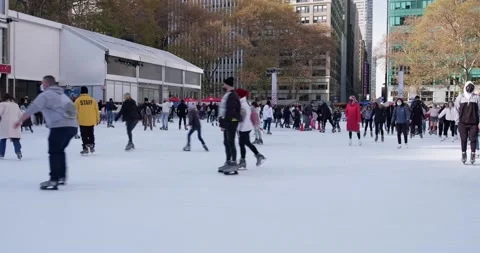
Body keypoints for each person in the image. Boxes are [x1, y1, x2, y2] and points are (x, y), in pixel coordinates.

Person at [15, 75, 78, 190]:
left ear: (47, 84)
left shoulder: (46, 95)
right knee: (59, 150)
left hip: (59, 126)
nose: (41, 85)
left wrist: (20, 120)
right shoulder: (63, 95)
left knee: (54, 151)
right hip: (72, 127)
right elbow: (73, 109)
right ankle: (61, 176)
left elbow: (33, 107)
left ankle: (54, 179)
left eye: (42, 83)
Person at [236, 88, 266, 169]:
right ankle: (257, 156)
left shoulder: (242, 104)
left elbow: (240, 118)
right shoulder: (243, 103)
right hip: (245, 127)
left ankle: (243, 161)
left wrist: (231, 120)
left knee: (242, 144)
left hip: (244, 127)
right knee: (246, 143)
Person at [217, 77, 241, 175]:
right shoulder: (228, 94)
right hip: (228, 121)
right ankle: (228, 161)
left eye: (224, 83)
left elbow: (230, 110)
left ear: (227, 84)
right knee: (226, 142)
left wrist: (225, 123)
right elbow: (223, 109)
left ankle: (234, 163)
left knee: (230, 142)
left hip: (231, 121)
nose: (223, 85)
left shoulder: (232, 95)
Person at [454, 81, 480, 164]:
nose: (469, 88)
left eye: (471, 86)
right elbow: (456, 109)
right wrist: (457, 120)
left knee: (473, 139)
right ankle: (463, 153)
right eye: (468, 87)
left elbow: (479, 110)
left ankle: (473, 154)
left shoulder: (476, 98)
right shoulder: (460, 97)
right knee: (463, 139)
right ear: (465, 87)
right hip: (462, 123)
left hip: (474, 123)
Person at [74, 86, 99, 155]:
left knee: (84, 135)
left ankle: (85, 148)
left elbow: (74, 111)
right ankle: (92, 145)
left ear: (81, 92)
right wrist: (97, 119)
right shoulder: (93, 100)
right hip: (91, 120)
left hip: (82, 121)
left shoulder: (78, 100)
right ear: (87, 92)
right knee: (91, 134)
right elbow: (96, 110)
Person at [0, 93, 23, 160]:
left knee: (3, 139)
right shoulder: (16, 105)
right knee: (15, 139)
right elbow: (20, 115)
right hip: (14, 123)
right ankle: (18, 151)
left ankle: (1, 153)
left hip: (4, 123)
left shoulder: (2, 104)